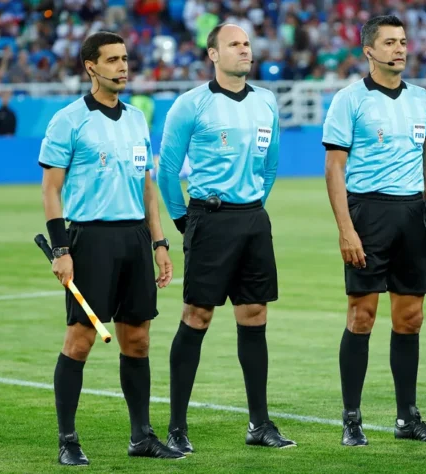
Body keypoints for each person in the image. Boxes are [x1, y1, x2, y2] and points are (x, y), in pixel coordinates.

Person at [38, 31, 184, 466]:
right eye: (113, 60)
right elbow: (51, 190)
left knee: (137, 340)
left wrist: (159, 242)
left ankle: (141, 435)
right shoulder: (68, 120)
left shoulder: (138, 118)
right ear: (90, 66)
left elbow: (147, 185)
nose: (123, 66)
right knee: (80, 340)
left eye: (125, 58)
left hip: (136, 238)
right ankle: (68, 439)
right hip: (91, 239)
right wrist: (61, 248)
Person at [158, 23, 295, 452]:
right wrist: (185, 222)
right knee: (196, 317)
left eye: (248, 44)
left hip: (253, 220)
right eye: (234, 44)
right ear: (213, 54)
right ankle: (177, 426)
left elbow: (270, 165)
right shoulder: (191, 104)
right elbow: (166, 170)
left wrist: (252, 205)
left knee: (254, 316)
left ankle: (259, 424)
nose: (244, 50)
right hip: (208, 219)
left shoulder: (266, 101)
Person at [322, 15, 426, 447]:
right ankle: (352, 418)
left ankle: (406, 417)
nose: (400, 48)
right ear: (369, 51)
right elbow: (334, 170)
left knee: (410, 318)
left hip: (412, 213)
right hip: (368, 213)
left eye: (403, 41)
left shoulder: (422, 99)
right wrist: (346, 230)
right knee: (362, 316)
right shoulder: (349, 100)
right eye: (390, 42)